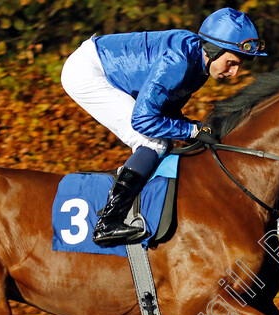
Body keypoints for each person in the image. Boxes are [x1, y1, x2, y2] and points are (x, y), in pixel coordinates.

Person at [61, 7, 266, 247]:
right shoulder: (178, 61)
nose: (234, 72)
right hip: (88, 72)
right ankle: (108, 222)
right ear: (213, 50)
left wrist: (196, 129)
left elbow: (166, 112)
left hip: (105, 67)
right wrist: (192, 130)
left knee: (162, 140)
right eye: (231, 63)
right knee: (151, 141)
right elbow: (144, 120)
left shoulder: (199, 66)